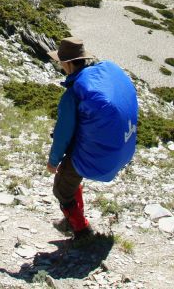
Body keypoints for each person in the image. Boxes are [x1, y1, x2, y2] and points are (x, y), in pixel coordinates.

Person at [47, 37, 138, 239]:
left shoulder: (74, 94)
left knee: (62, 189)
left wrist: (53, 161)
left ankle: (81, 230)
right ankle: (72, 218)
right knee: (72, 177)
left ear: (68, 63)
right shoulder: (97, 75)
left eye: (61, 61)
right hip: (121, 147)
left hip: (94, 153)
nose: (60, 65)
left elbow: (63, 132)